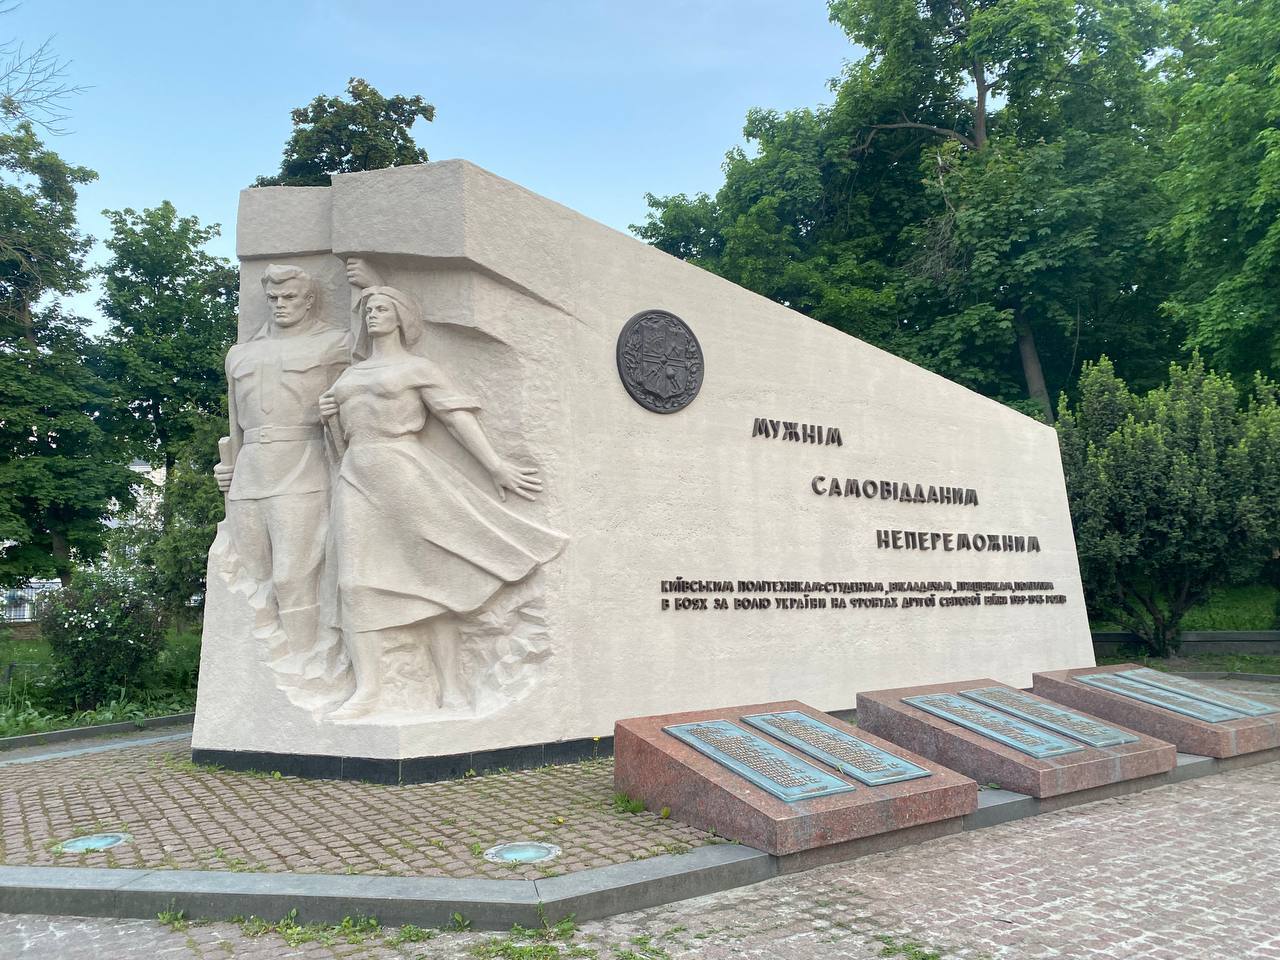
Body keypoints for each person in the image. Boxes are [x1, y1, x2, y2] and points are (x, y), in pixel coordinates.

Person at [319, 285, 565, 719]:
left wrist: (495, 466)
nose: (372, 315)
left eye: (382, 308)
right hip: (356, 476)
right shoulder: (348, 377)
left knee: (433, 580)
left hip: (406, 474)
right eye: (368, 310)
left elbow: (455, 418)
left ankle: (451, 688)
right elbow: (341, 444)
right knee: (353, 583)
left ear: (400, 317)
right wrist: (329, 420)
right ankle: (367, 690)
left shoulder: (418, 368)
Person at [214, 265, 352, 665]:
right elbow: (235, 426)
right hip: (250, 474)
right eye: (273, 298)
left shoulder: (335, 344)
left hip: (303, 467)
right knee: (253, 577)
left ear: (309, 300)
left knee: (293, 577)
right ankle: (270, 666)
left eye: (289, 297)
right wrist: (228, 468)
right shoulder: (240, 355)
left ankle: (306, 663)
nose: (280, 305)